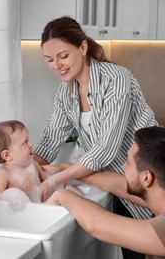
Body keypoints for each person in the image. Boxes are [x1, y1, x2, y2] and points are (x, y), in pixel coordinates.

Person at [33, 16, 157, 258]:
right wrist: (21, 168)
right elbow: (49, 142)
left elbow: (106, 149)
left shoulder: (117, 79)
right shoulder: (65, 91)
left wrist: (53, 180)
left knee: (152, 253)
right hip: (114, 184)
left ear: (83, 47)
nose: (56, 65)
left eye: (63, 56)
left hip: (147, 182)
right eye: (49, 59)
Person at [47, 126, 165, 259]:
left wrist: (63, 195)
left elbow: (97, 225)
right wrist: (62, 170)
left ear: (146, 178)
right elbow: (116, 183)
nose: (124, 167)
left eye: (128, 163)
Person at [0, 120, 81, 204]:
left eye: (28, 140)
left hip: (41, 205)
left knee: (66, 188)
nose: (30, 144)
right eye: (24, 142)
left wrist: (53, 184)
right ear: (7, 155)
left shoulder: (33, 165)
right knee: (61, 195)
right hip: (24, 213)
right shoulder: (3, 174)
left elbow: (47, 181)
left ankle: (81, 202)